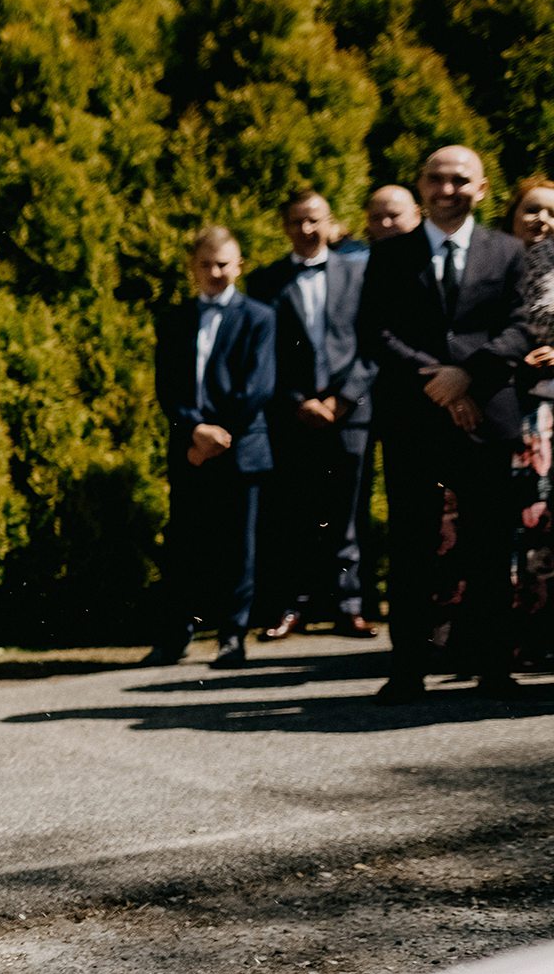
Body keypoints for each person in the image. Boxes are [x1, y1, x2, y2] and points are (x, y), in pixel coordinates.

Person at [358, 145, 532, 702]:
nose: (447, 189)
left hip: (486, 414)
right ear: (422, 185)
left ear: (481, 188)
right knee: (411, 547)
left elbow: (521, 325)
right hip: (414, 418)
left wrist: (468, 377)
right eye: (436, 178)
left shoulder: (508, 252)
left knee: (488, 548)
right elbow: (375, 330)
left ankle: (493, 669)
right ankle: (407, 671)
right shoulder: (390, 254)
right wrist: (437, 381)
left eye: (459, 179)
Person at [244, 189, 377, 641]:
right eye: (297, 221)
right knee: (293, 510)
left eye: (314, 220)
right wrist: (297, 400)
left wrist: (344, 398)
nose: (306, 229)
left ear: (330, 221)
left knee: (348, 510)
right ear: (284, 226)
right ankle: (292, 604)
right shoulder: (265, 281)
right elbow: (263, 354)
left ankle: (349, 604)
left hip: (350, 411)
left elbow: (372, 343)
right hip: (293, 412)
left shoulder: (358, 273)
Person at [142, 227, 276, 670]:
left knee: (239, 549)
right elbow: (168, 386)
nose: (215, 272)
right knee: (184, 547)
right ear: (192, 268)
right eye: (206, 265)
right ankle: (174, 636)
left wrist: (218, 435)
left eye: (223, 264)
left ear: (239, 266)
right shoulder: (175, 319)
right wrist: (195, 431)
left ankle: (232, 637)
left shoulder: (259, 317)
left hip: (241, 448)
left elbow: (258, 386)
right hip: (191, 449)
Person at [505, 180, 554, 665]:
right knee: (506, 520)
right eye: (533, 210)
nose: (543, 220)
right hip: (504, 402)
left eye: (552, 213)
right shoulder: (493, 263)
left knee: (544, 522)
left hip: (550, 411)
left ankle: (540, 633)